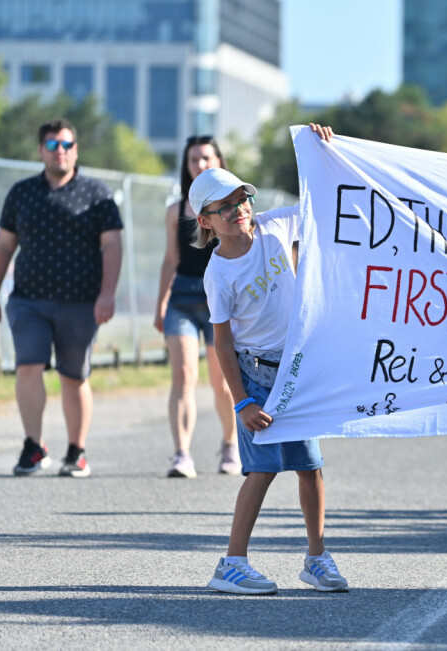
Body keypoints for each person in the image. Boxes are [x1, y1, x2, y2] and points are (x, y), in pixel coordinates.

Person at [199, 124, 347, 595]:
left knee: (310, 465)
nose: (238, 211)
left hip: (295, 370)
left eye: (241, 200)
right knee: (261, 469)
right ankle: (231, 563)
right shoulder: (218, 273)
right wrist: (241, 402)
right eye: (224, 208)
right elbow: (222, 342)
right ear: (206, 221)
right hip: (256, 375)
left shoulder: (277, 226)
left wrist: (325, 152)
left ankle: (317, 558)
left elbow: (323, 203)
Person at [0, 118, 123, 478]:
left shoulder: (97, 194)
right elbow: (4, 245)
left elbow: (112, 244)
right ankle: (33, 446)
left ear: (75, 150)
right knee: (28, 366)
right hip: (28, 300)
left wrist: (107, 293)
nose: (59, 151)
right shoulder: (22, 193)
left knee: (73, 376)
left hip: (80, 302)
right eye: (52, 145)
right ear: (40, 151)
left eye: (65, 145)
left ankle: (76, 451)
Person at [154, 135, 238, 478]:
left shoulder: (234, 208)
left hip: (220, 303)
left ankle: (231, 445)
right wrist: (160, 303)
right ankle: (181, 454)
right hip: (182, 302)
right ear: (186, 166)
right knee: (184, 375)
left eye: (206, 157)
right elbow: (170, 259)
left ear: (219, 161)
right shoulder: (176, 210)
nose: (200, 164)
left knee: (221, 383)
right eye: (193, 159)